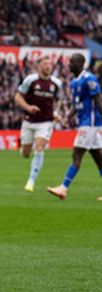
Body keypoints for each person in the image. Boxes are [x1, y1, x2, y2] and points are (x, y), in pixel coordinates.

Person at [47, 54, 102, 200]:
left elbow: (98, 99)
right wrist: (67, 117)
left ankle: (63, 188)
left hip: (90, 123)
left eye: (71, 62)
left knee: (76, 154)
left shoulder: (89, 79)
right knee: (99, 159)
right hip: (85, 122)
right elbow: (76, 104)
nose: (69, 64)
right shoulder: (74, 83)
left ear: (80, 63)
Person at [14, 56, 62, 191]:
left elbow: (58, 100)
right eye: (45, 64)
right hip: (29, 121)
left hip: (46, 122)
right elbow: (17, 96)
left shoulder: (57, 83)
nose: (48, 66)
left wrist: (56, 112)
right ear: (39, 66)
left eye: (50, 64)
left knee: (40, 147)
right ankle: (22, 147)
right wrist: (28, 108)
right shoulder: (30, 80)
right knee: (25, 153)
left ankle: (31, 181)